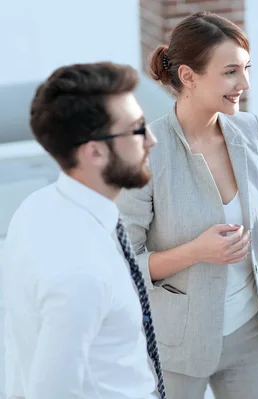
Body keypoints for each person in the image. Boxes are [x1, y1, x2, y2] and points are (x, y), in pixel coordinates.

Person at [115, 11, 258, 399]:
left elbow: (251, 228)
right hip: (178, 347)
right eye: (231, 71)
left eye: (247, 68)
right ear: (188, 76)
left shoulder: (251, 131)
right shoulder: (147, 153)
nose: (244, 83)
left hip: (249, 333)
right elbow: (125, 262)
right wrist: (197, 252)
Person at [2, 62, 165, 399]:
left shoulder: (37, 206)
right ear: (95, 152)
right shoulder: (82, 276)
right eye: (137, 130)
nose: (152, 139)